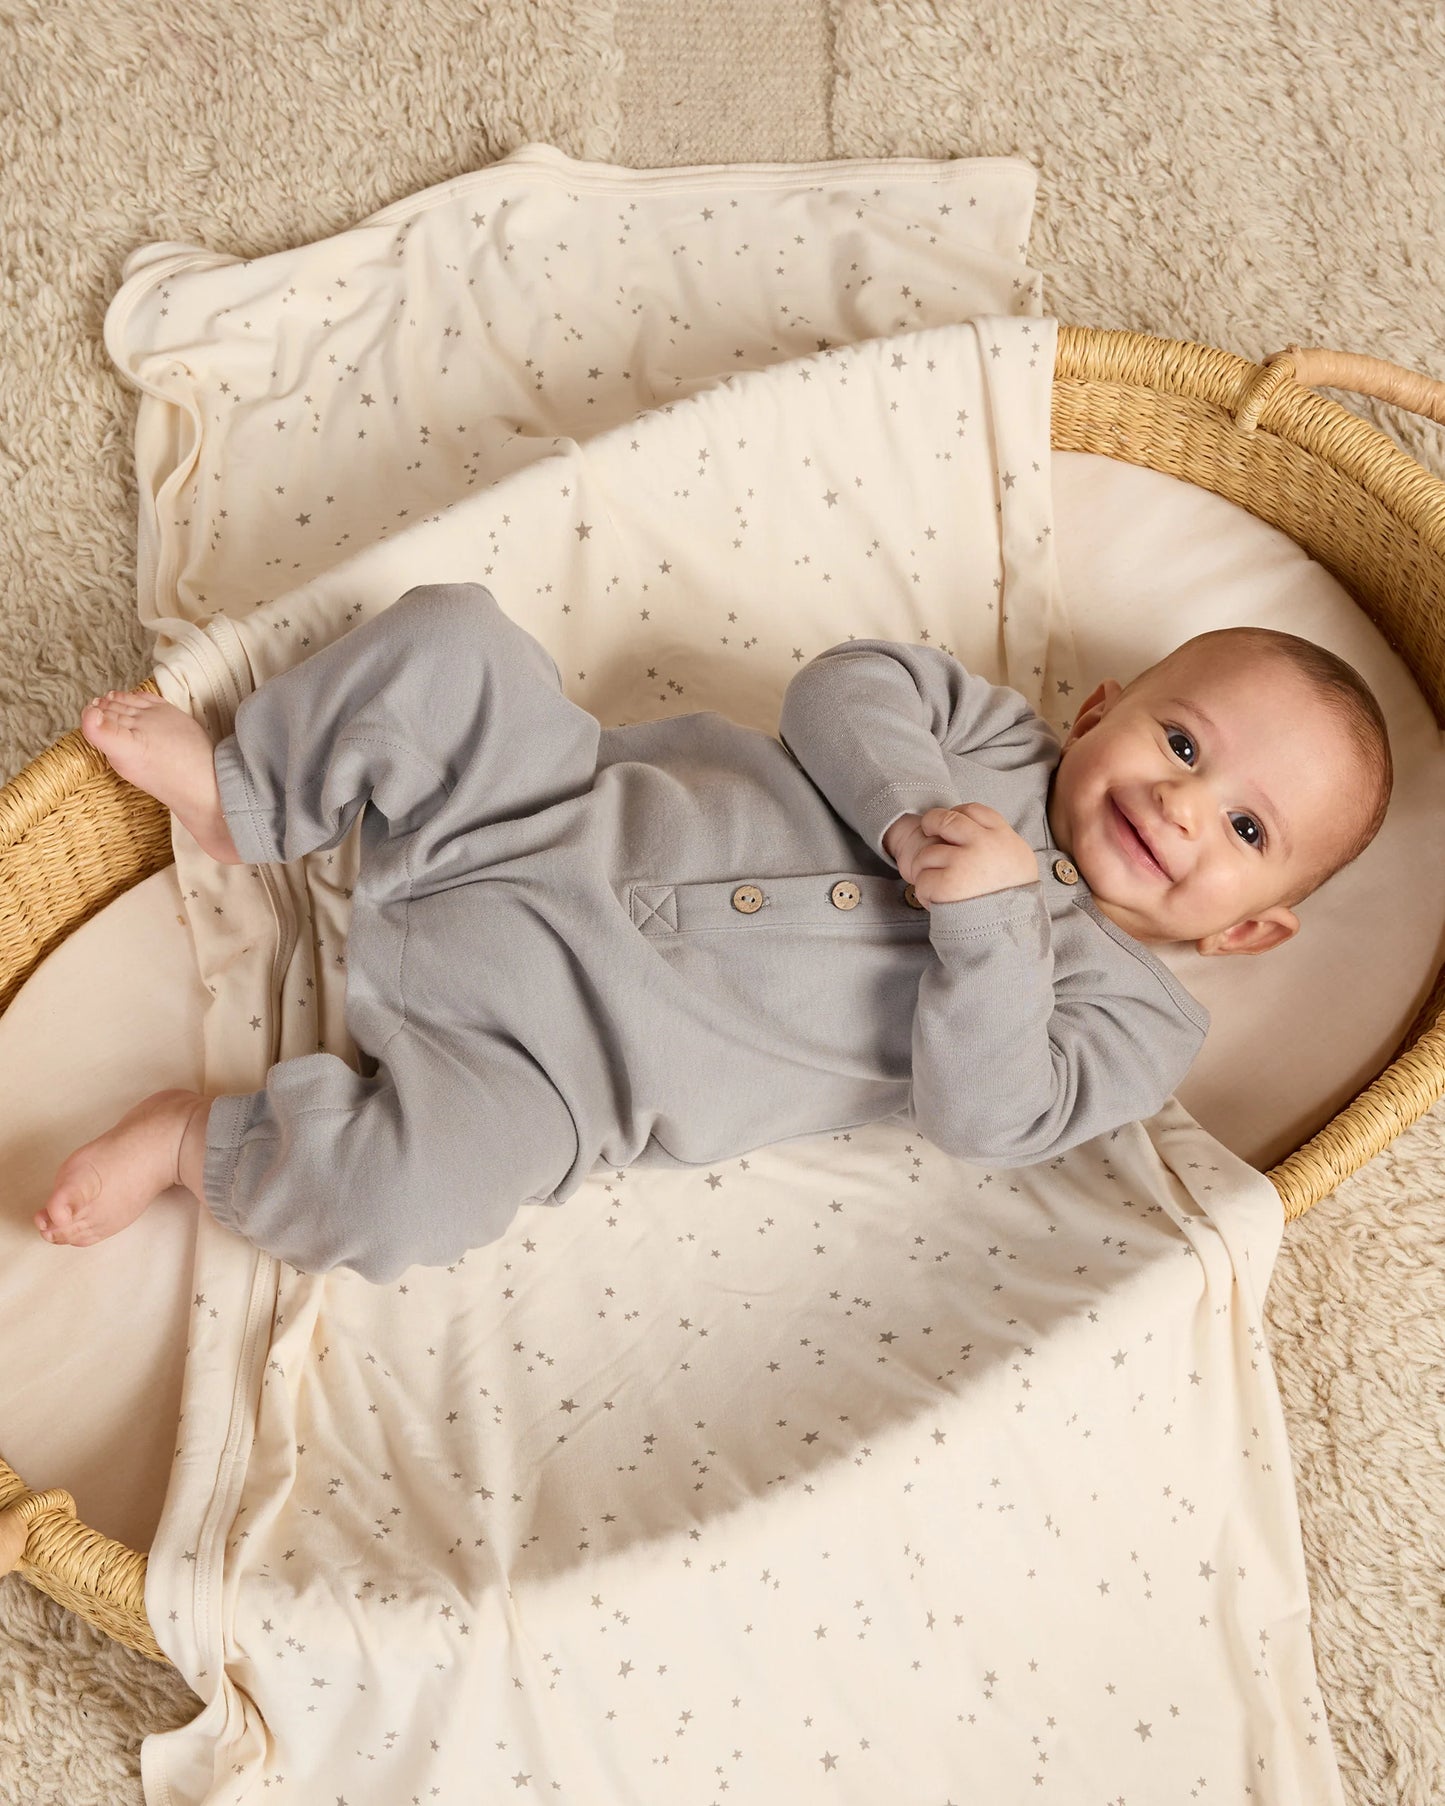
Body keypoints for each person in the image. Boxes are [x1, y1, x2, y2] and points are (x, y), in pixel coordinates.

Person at [36, 583, 1392, 1281]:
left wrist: (992, 929)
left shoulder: (1135, 1022)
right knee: (450, 638)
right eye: (1178, 738)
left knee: (407, 1203)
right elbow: (837, 691)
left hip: (558, 1072)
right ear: (1100, 706)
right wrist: (919, 811)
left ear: (1250, 930)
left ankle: (194, 1143)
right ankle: (251, 797)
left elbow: (992, 1109)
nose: (1181, 802)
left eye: (1247, 829)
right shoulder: (986, 740)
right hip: (540, 805)